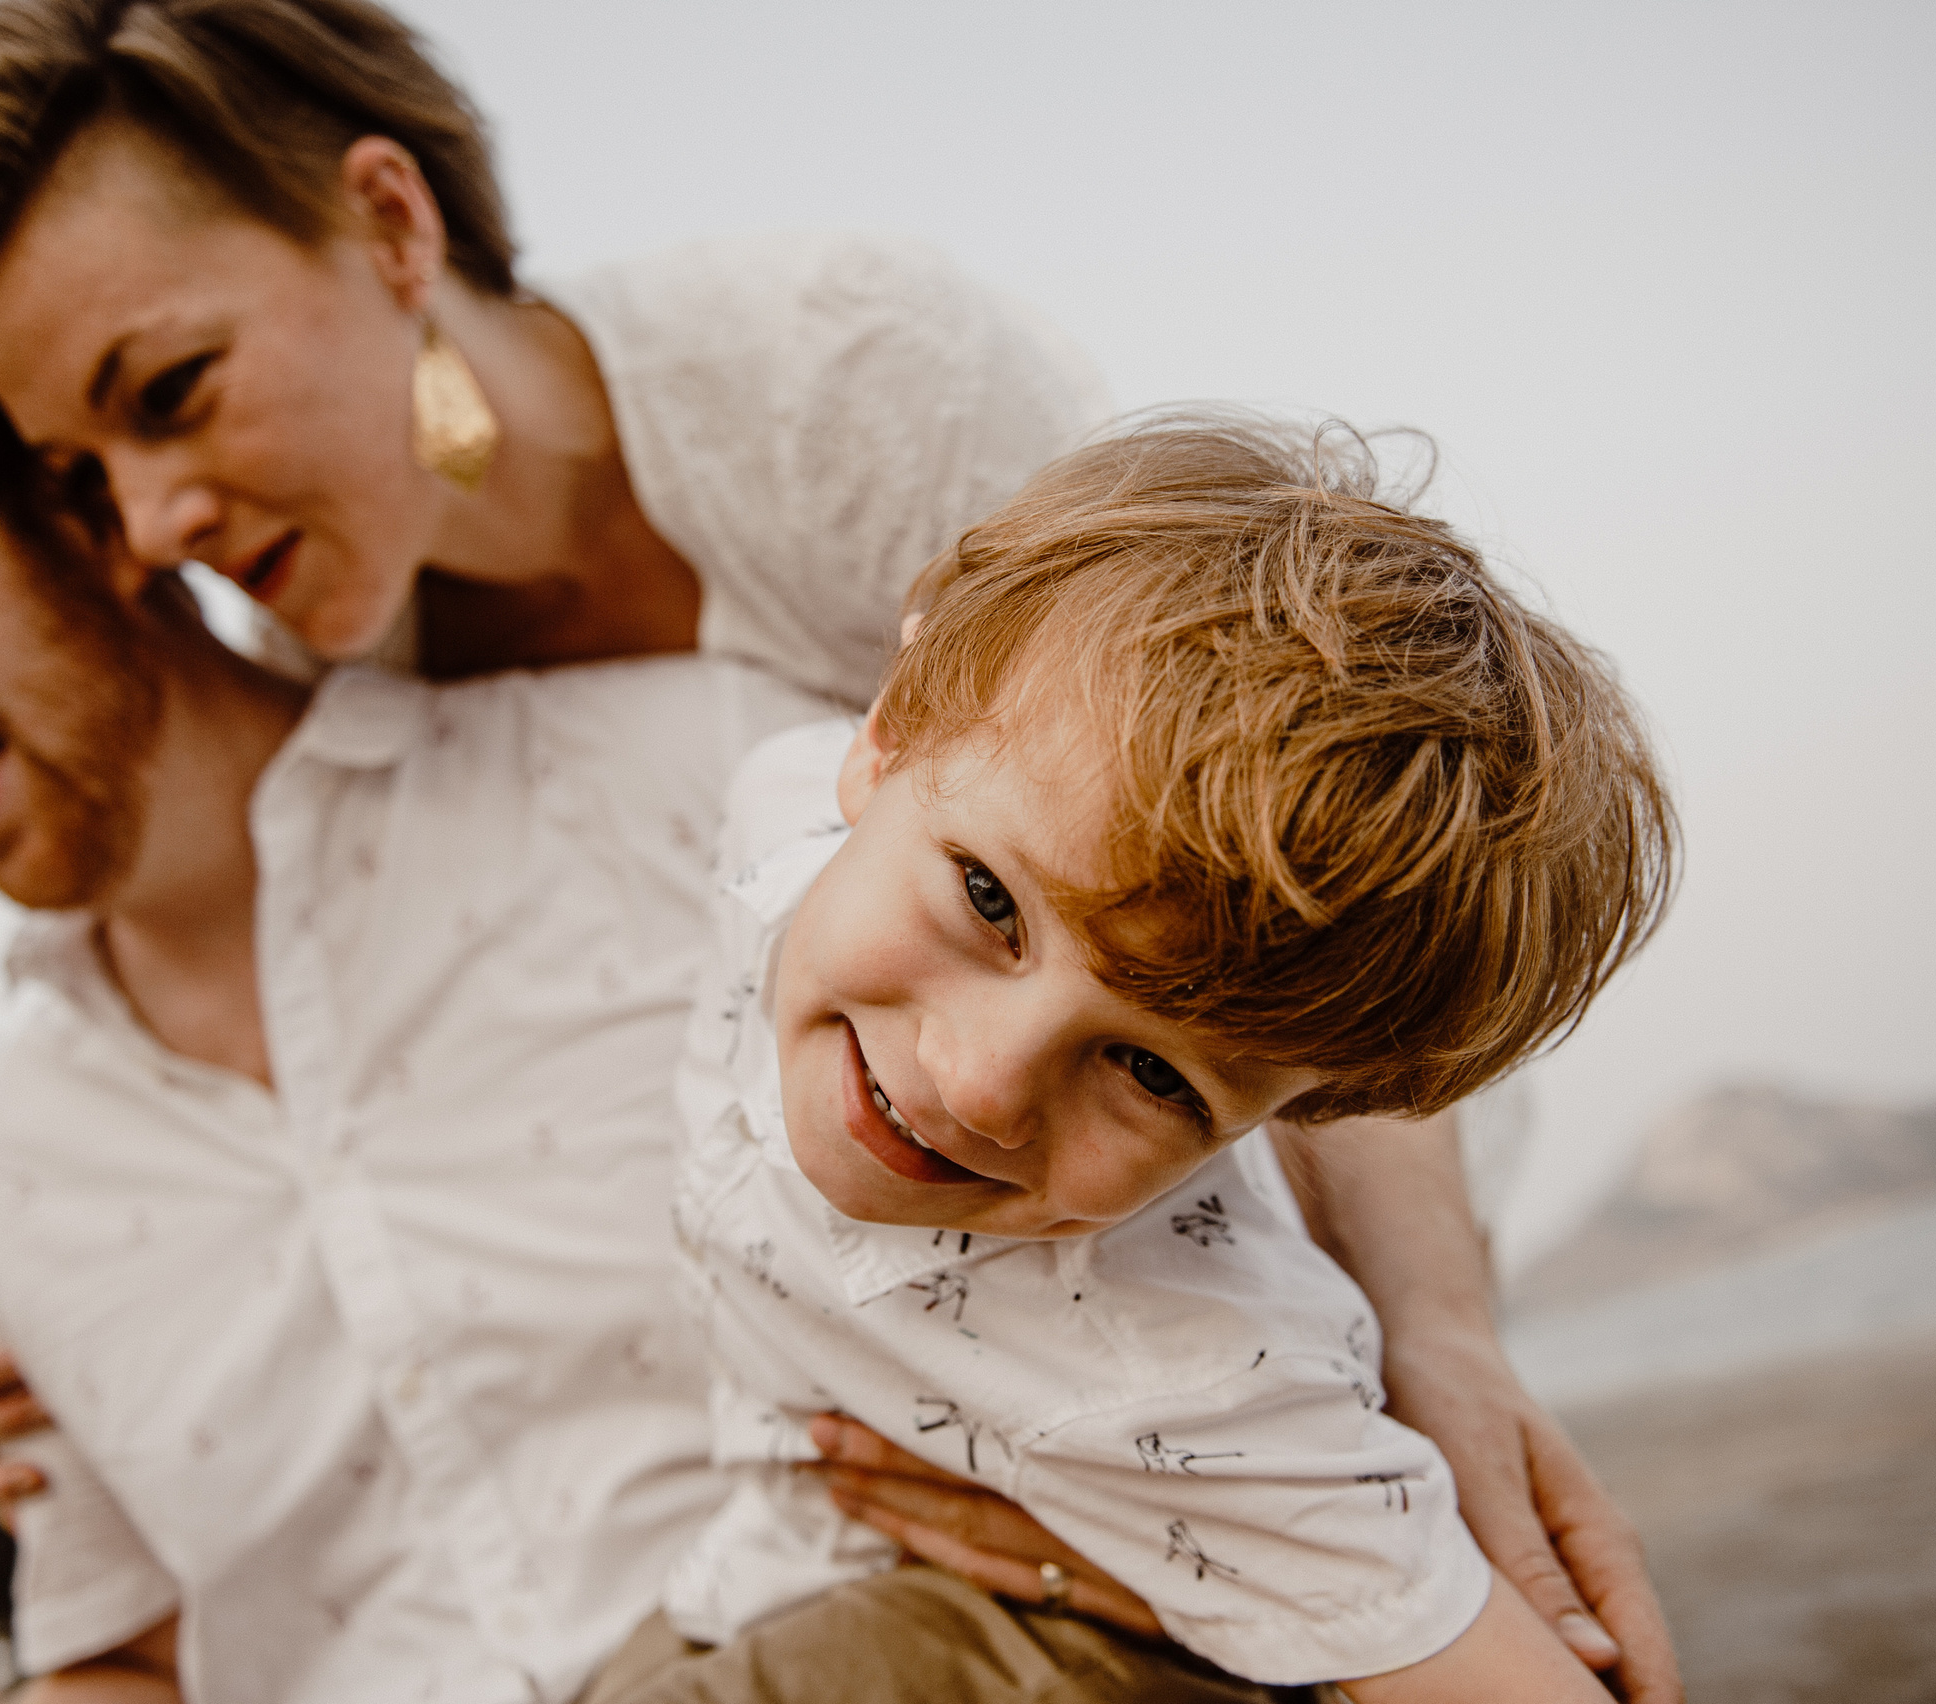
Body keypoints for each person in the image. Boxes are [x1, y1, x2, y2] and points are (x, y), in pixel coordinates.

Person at [0, 12, 1677, 1697]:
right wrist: (40, 1312)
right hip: (868, 1409)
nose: (154, 525)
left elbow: (1281, 866)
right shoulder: (330, 664)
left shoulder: (842, 381)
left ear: (389, 223)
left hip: (1210, 1242)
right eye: (83, 472)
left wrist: (1431, 1347)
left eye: (168, 387)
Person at [584, 419, 1672, 1703]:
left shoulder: (1194, 1368)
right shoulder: (779, 809)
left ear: (1297, 1113)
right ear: (886, 739)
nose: (984, 1085)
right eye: (990, 904)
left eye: (1157, 1077)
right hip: (764, 1569)